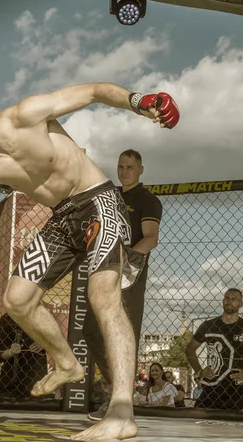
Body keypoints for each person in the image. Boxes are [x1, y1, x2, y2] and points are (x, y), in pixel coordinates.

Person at [0, 72, 180, 441]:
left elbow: (94, 90)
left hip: (98, 201)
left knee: (103, 295)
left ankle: (122, 412)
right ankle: (66, 361)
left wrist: (140, 102)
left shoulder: (27, 115)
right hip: (61, 218)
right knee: (16, 300)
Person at [85, 149, 162, 421]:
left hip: (129, 273)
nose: (125, 171)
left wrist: (126, 261)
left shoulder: (147, 200)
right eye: (121, 166)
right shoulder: (109, 197)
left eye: (130, 166)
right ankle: (115, 386)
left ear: (141, 169)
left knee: (124, 332)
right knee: (91, 330)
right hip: (102, 269)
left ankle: (117, 399)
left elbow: (150, 238)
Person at [185, 288, 243, 411]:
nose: (229, 301)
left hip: (235, 390)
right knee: (201, 425)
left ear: (240, 304)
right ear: (223, 301)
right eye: (227, 298)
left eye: (234, 299)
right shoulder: (208, 326)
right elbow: (189, 349)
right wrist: (199, 371)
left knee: (235, 427)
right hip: (210, 387)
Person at [0, 313, 47, 400]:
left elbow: (58, 345)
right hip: (11, 379)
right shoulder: (7, 318)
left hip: (36, 377)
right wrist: (11, 352)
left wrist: (45, 343)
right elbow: (0, 353)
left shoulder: (43, 316)